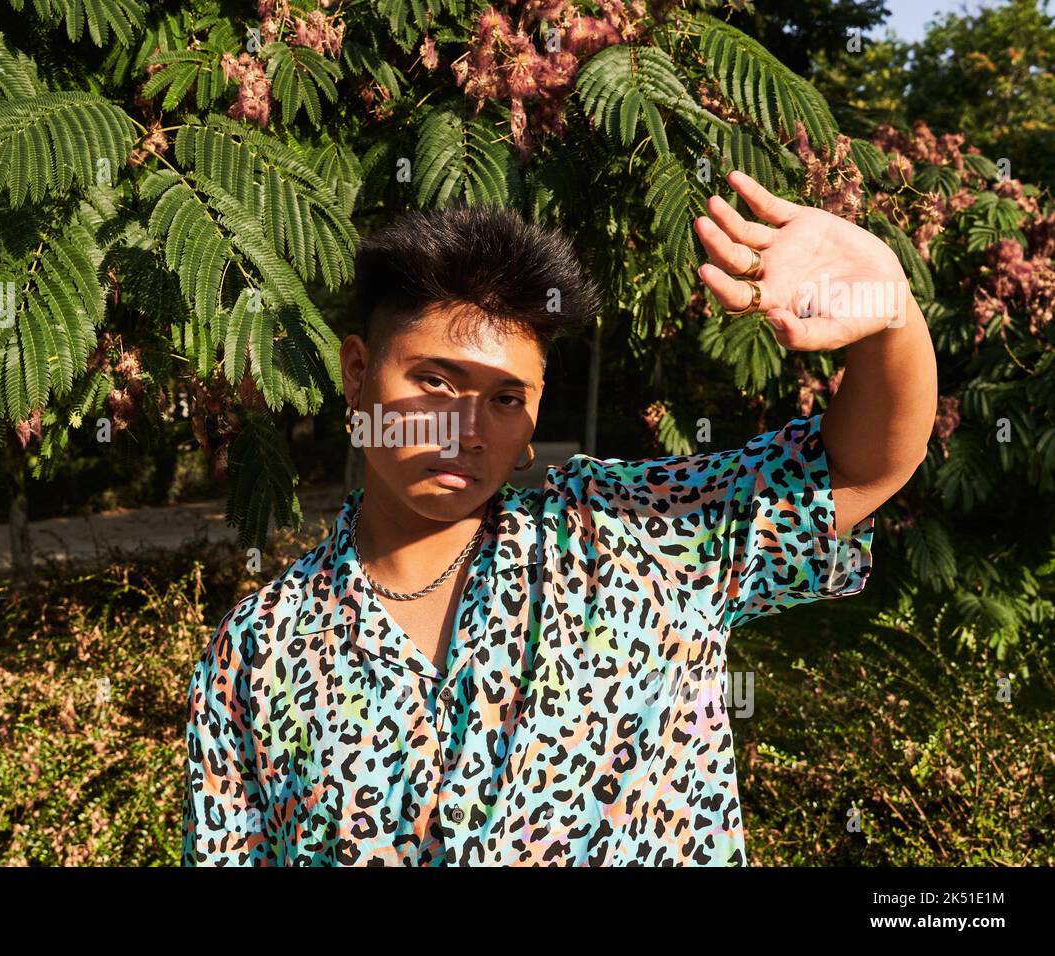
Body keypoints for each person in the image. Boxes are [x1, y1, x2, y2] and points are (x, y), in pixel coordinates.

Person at [181, 171, 938, 866]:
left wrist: (889, 313)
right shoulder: (260, 651)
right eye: (435, 381)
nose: (465, 429)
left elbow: (853, 471)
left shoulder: (637, 541)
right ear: (356, 373)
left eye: (506, 398)